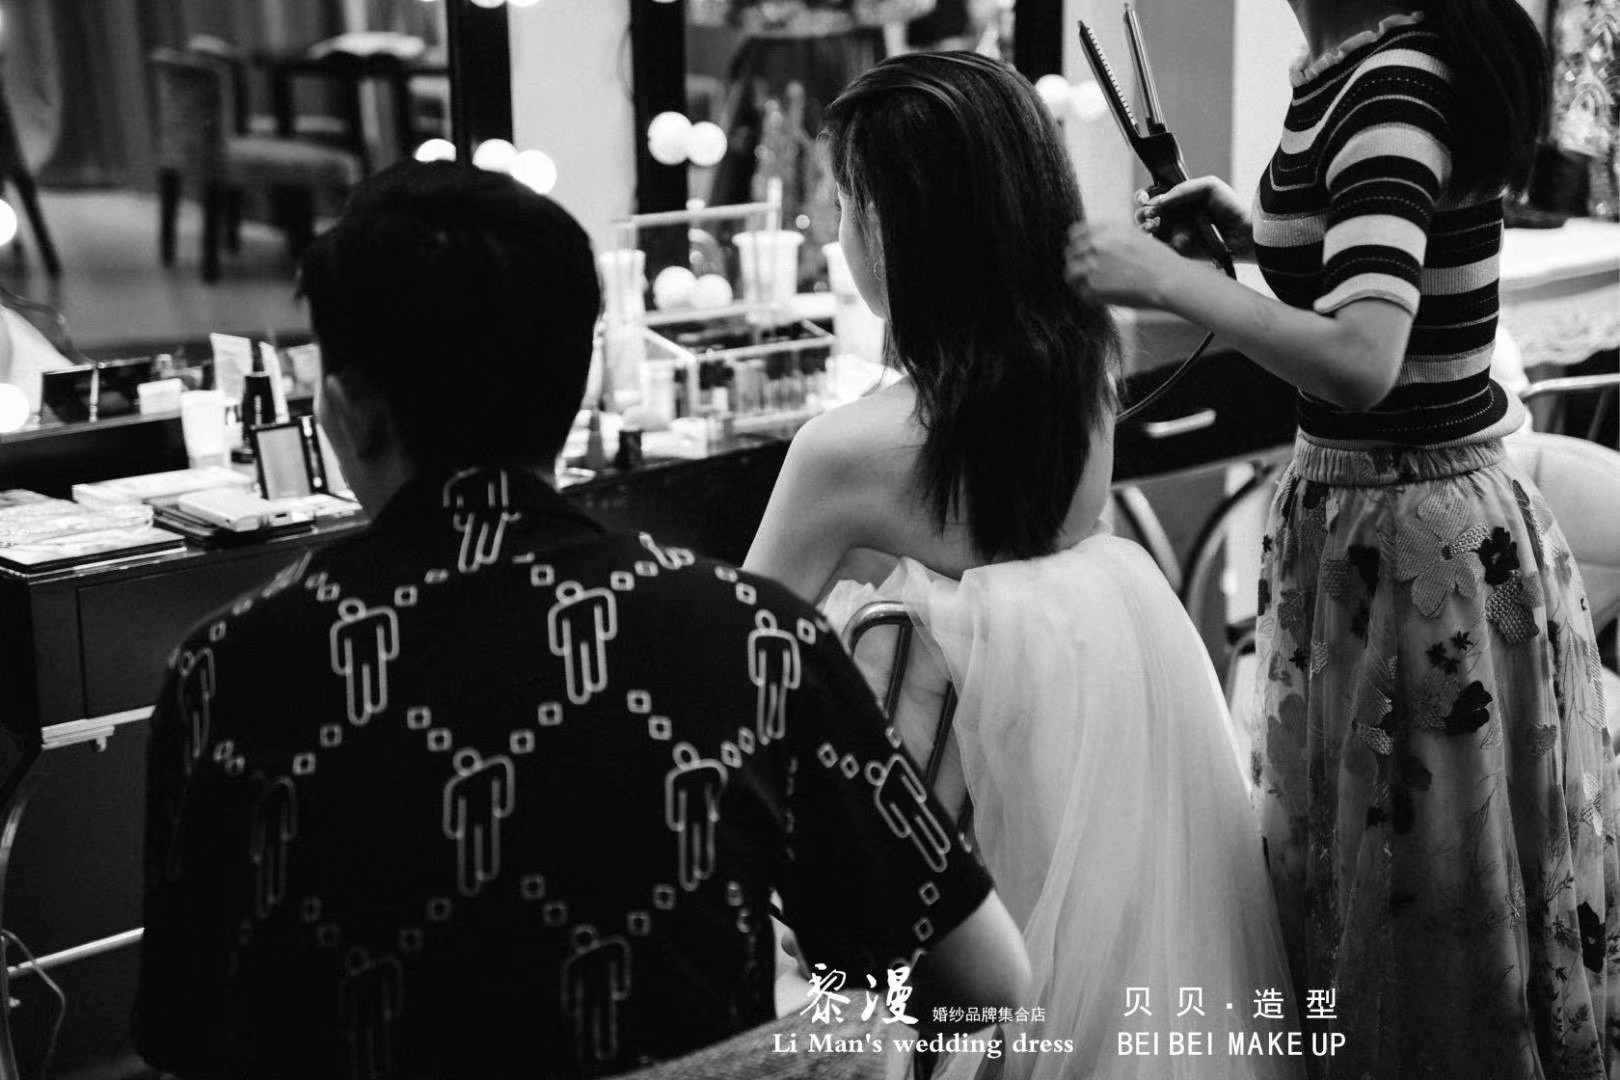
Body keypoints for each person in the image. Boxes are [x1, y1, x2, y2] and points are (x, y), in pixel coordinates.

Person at [135, 160, 1028, 1080]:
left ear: (347, 414)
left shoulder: (224, 670)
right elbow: (989, 981)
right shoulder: (757, 640)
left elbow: (183, 1036)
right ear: (575, 386)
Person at [1065, 0, 1620, 1074]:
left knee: (1420, 891)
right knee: (1387, 875)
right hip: (1377, 524)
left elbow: (1365, 360)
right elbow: (1373, 266)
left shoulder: (1392, 90)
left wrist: (1173, 282)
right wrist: (1251, 234)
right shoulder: (1353, 74)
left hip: (1415, 548)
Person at [746, 52, 1299, 1080]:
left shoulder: (844, 452)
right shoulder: (1084, 370)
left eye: (846, 207)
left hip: (947, 835)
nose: (836, 234)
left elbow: (743, 664)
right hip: (1098, 750)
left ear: (899, 229)